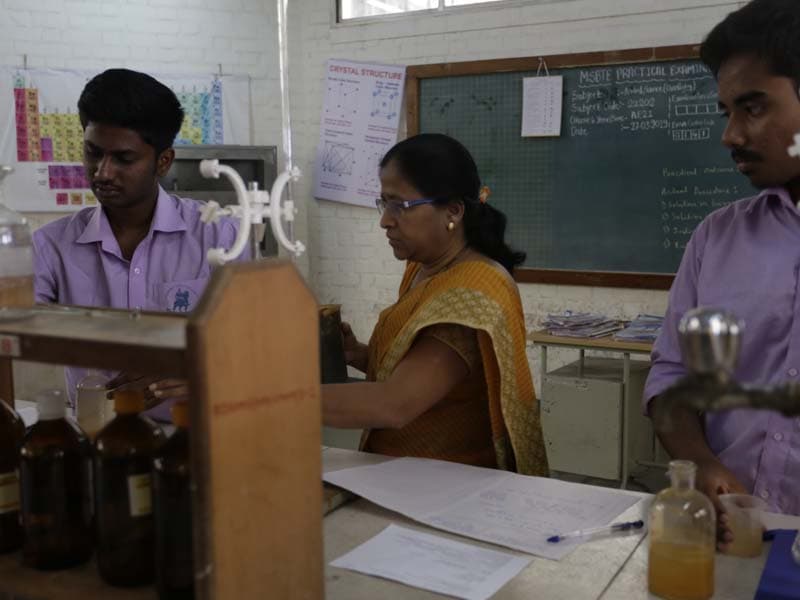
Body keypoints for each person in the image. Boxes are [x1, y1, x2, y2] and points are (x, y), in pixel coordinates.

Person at [644, 0, 800, 537]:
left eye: (753, 108)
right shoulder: (717, 237)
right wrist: (702, 461)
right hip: (730, 542)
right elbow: (671, 379)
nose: (730, 135)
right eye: (726, 112)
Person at [322, 133, 548, 475]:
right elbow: (423, 373)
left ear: (453, 210)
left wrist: (276, 402)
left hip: (447, 489)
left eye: (400, 205)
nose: (385, 220)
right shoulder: (423, 268)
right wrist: (359, 354)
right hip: (401, 475)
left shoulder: (471, 294)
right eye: (384, 203)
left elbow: (395, 404)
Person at [33, 69, 244, 415]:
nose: (102, 172)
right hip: (98, 439)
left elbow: (262, 342)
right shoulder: (51, 247)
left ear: (163, 161)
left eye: (123, 159)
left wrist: (197, 367)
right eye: (93, 152)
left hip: (196, 440)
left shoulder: (221, 235)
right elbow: (16, 332)